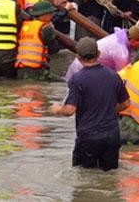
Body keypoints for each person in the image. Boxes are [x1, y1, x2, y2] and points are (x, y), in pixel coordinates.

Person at [50, 37, 130, 171]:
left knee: (84, 176)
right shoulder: (113, 76)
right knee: (109, 177)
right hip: (112, 136)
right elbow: (126, 103)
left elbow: (70, 110)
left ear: (78, 57)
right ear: (98, 54)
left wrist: (57, 109)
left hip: (89, 137)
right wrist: (111, 110)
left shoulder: (77, 79)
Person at [64, 24, 139, 81]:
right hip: (82, 71)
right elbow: (123, 77)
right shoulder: (121, 52)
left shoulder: (119, 35)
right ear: (133, 40)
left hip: (80, 66)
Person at [15, 0, 58, 81]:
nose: (52, 16)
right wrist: (52, 31)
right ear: (45, 15)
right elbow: (54, 49)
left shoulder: (25, 25)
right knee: (64, 83)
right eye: (50, 13)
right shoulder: (46, 28)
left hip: (20, 69)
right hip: (36, 71)